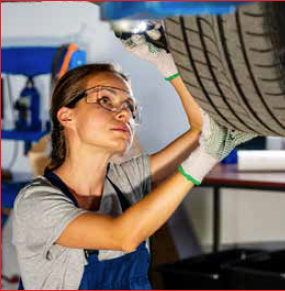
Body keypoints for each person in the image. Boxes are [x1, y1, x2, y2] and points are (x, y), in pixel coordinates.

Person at [11, 24, 256, 290]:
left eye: (130, 106)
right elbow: (122, 236)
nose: (125, 114)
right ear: (66, 116)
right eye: (105, 99)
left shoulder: (123, 181)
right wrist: (203, 160)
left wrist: (165, 64)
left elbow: (200, 131)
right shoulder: (36, 203)